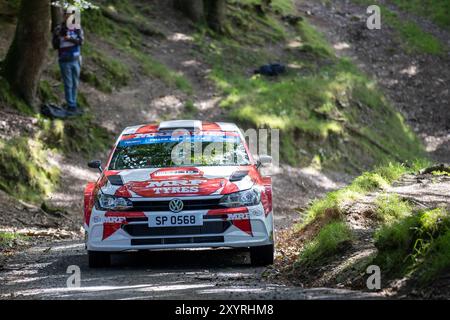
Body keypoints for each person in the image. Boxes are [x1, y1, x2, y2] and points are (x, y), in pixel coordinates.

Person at [52, 6, 84, 116]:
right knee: (68, 83)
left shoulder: (77, 28)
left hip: (76, 59)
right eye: (66, 14)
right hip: (64, 59)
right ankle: (70, 105)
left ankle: (73, 104)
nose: (68, 16)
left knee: (75, 83)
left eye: (71, 14)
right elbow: (55, 46)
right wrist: (57, 37)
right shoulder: (58, 28)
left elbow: (81, 41)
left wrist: (68, 38)